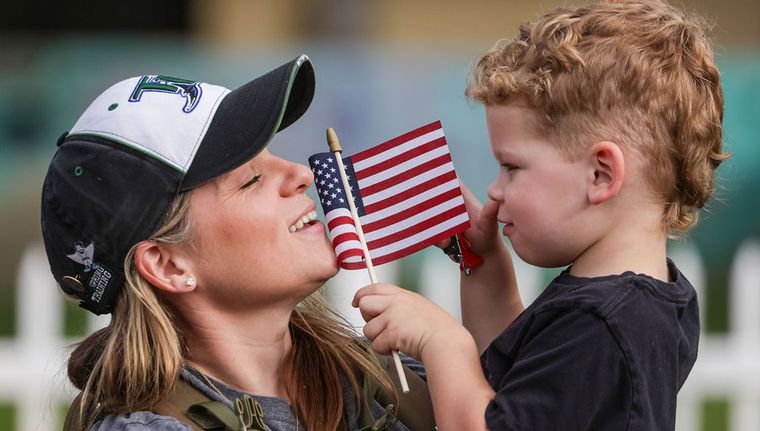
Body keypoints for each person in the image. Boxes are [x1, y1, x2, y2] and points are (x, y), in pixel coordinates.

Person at [352, 0, 728, 429]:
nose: (495, 189)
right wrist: (486, 262)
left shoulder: (602, 324)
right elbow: (512, 382)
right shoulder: (632, 303)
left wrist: (441, 341)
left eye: (512, 167)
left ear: (600, 175)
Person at [42, 55, 431, 431]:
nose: (300, 173)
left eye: (272, 154)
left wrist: (483, 277)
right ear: (169, 266)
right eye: (250, 180)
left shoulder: (381, 378)